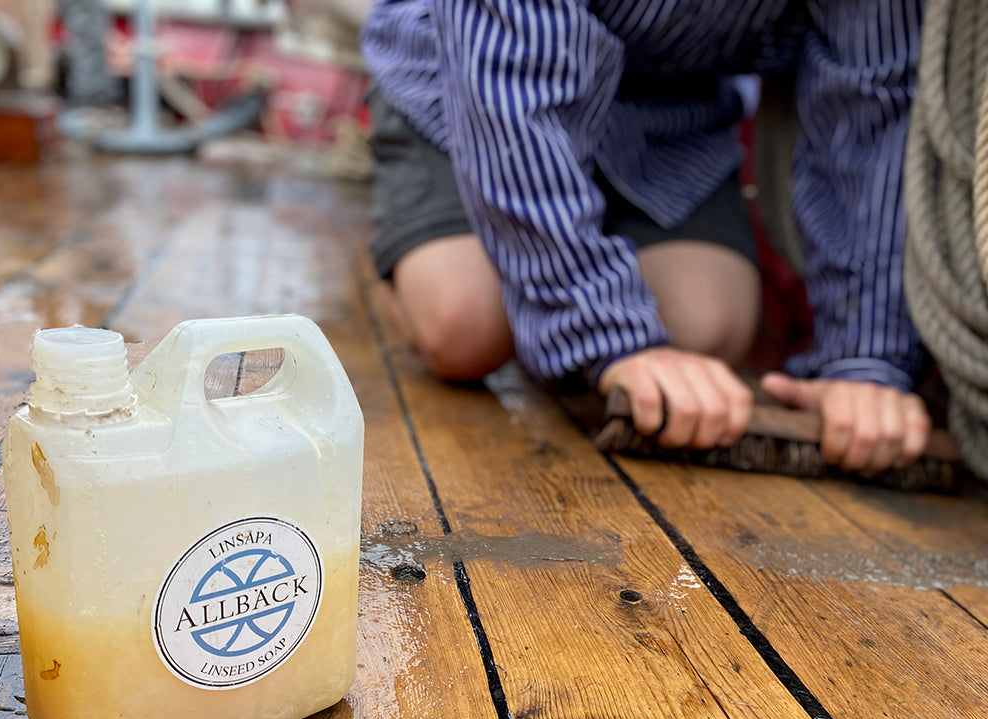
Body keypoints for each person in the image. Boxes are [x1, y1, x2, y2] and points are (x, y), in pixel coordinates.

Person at [360, 0, 931, 475]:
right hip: (469, 85)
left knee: (705, 327)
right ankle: (405, 259)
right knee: (468, 325)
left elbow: (869, 101)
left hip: (664, 112)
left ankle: (567, 254)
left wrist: (865, 359)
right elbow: (512, 95)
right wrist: (610, 334)